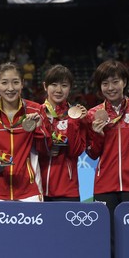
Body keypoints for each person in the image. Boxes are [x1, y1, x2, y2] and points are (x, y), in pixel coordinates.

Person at [85, 59, 129, 257]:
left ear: (125, 82)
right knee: (107, 238)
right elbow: (92, 153)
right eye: (105, 84)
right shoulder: (93, 114)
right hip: (105, 186)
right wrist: (97, 135)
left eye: (115, 82)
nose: (110, 88)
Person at [0, 62, 51, 201]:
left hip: (29, 190)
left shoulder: (36, 110)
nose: (10, 88)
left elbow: (46, 149)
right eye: (4, 83)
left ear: (22, 83)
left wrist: (39, 128)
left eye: (15, 82)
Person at [37, 64, 87, 201]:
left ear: (70, 88)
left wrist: (73, 122)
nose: (58, 90)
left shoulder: (75, 115)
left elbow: (76, 151)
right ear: (45, 86)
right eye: (54, 84)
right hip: (37, 188)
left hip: (67, 190)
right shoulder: (36, 113)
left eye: (64, 85)